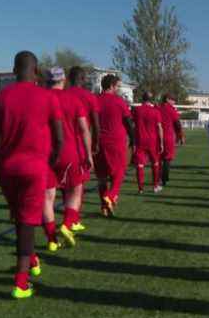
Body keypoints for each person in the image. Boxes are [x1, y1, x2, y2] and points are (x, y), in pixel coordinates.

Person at [0, 51, 64, 299]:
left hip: (7, 167)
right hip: (34, 167)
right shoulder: (47, 97)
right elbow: (60, 139)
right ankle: (21, 282)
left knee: (20, 218)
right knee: (28, 221)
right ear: (36, 70)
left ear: (13, 70)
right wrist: (49, 162)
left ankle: (31, 259)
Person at [42, 67, 89, 252]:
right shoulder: (74, 99)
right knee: (75, 190)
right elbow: (84, 129)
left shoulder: (42, 98)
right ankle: (68, 223)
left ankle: (52, 239)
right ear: (63, 80)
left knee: (47, 198)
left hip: (45, 153)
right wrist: (88, 154)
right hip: (70, 152)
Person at [65, 66, 100, 232]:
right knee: (78, 183)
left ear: (69, 78)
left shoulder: (62, 95)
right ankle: (71, 220)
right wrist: (96, 143)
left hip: (60, 143)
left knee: (66, 182)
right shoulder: (89, 97)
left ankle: (73, 217)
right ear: (83, 79)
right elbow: (95, 123)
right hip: (79, 144)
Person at [96, 74, 133, 217]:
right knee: (119, 173)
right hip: (115, 141)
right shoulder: (118, 101)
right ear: (111, 86)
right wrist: (133, 139)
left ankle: (104, 207)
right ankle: (110, 197)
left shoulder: (95, 100)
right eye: (117, 86)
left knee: (101, 177)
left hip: (98, 141)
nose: (118, 89)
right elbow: (128, 122)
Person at [133, 92, 165, 193]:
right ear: (151, 99)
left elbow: (132, 124)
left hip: (140, 139)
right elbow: (159, 127)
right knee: (155, 163)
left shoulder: (137, 110)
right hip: (152, 140)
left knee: (140, 164)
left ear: (142, 98)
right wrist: (161, 142)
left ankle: (140, 188)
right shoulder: (155, 111)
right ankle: (155, 186)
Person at [159, 93, 185, 185]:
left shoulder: (157, 108)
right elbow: (177, 124)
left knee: (158, 158)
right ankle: (164, 178)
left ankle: (158, 177)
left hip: (157, 136)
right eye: (172, 99)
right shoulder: (171, 110)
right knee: (167, 158)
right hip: (168, 136)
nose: (174, 102)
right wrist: (181, 136)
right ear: (167, 99)